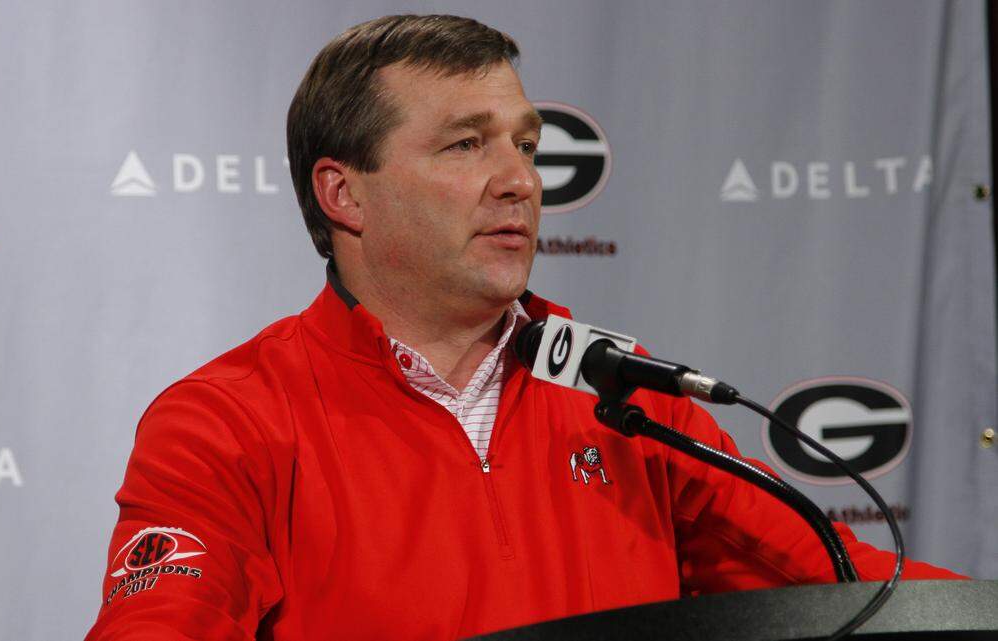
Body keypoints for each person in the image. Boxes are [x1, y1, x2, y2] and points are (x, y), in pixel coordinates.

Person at [85, 14, 965, 641]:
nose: (520, 180)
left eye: (527, 145)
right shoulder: (226, 420)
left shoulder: (619, 390)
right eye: (467, 144)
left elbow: (842, 586)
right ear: (343, 193)